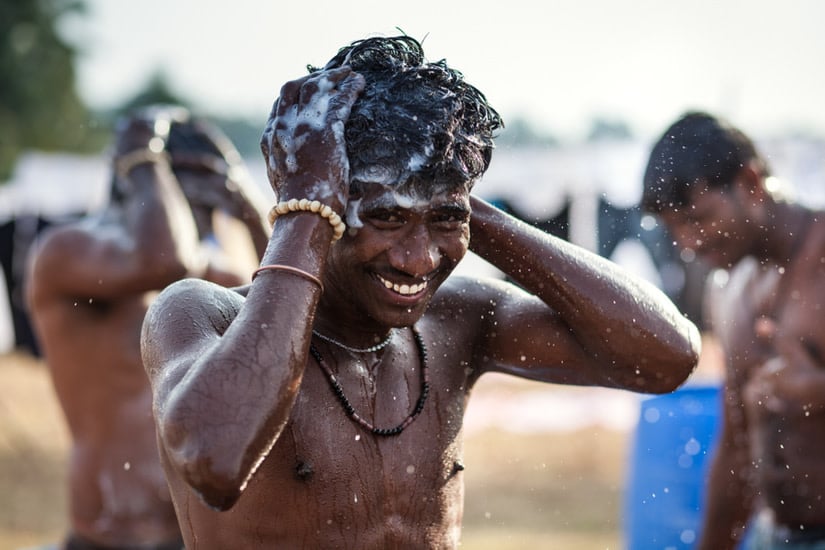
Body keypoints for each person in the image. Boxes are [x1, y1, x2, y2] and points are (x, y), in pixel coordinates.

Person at [141, 36, 700, 549]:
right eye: (385, 217)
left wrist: (453, 193)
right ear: (327, 203)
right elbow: (213, 459)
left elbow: (664, 358)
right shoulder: (201, 314)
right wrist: (304, 207)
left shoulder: (459, 320)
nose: (419, 258)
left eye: (443, 222)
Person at [25, 104, 271, 550]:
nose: (200, 215)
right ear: (137, 185)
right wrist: (143, 152)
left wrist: (245, 200)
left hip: (194, 536)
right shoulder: (66, 256)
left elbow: (291, 305)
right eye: (183, 197)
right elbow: (163, 260)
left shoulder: (217, 276)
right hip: (105, 535)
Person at [642, 111, 825, 549]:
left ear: (750, 183)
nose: (689, 242)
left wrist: (819, 392)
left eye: (698, 218)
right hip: (774, 535)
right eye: (674, 229)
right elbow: (735, 446)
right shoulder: (728, 289)